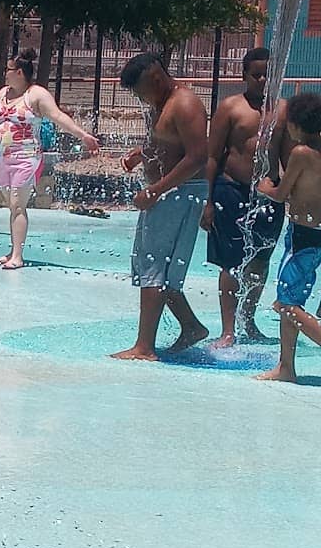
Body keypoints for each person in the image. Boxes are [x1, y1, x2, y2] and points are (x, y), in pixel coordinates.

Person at [111, 52, 210, 361]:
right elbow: (168, 144)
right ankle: (191, 326)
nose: (140, 98)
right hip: (165, 194)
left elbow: (197, 157)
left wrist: (155, 190)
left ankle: (144, 347)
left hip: (179, 193)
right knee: (150, 266)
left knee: (155, 266)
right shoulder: (160, 103)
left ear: (156, 78)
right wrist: (141, 154)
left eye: (141, 92)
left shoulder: (185, 104)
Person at [0, 49, 100, 269]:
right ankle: (12, 250)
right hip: (4, 159)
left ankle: (18, 256)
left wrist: (82, 135)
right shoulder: (3, 94)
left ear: (19, 72)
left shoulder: (36, 95)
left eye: (8, 70)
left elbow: (57, 116)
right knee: (12, 206)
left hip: (27, 158)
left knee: (18, 205)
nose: (5, 74)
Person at [201, 47, 287, 345]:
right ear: (244, 76)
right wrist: (207, 201)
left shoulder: (283, 110)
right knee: (231, 262)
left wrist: (292, 193)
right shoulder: (230, 107)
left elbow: (289, 156)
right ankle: (228, 330)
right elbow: (212, 156)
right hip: (230, 189)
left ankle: (248, 322)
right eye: (256, 75)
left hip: (268, 194)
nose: (262, 80)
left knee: (260, 260)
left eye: (267, 75)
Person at [253, 93, 321, 384]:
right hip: (317, 233)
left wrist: (264, 188)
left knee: (286, 305)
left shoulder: (301, 153)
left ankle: (288, 365)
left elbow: (281, 194)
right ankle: (286, 367)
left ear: (295, 125)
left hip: (302, 236)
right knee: (293, 300)